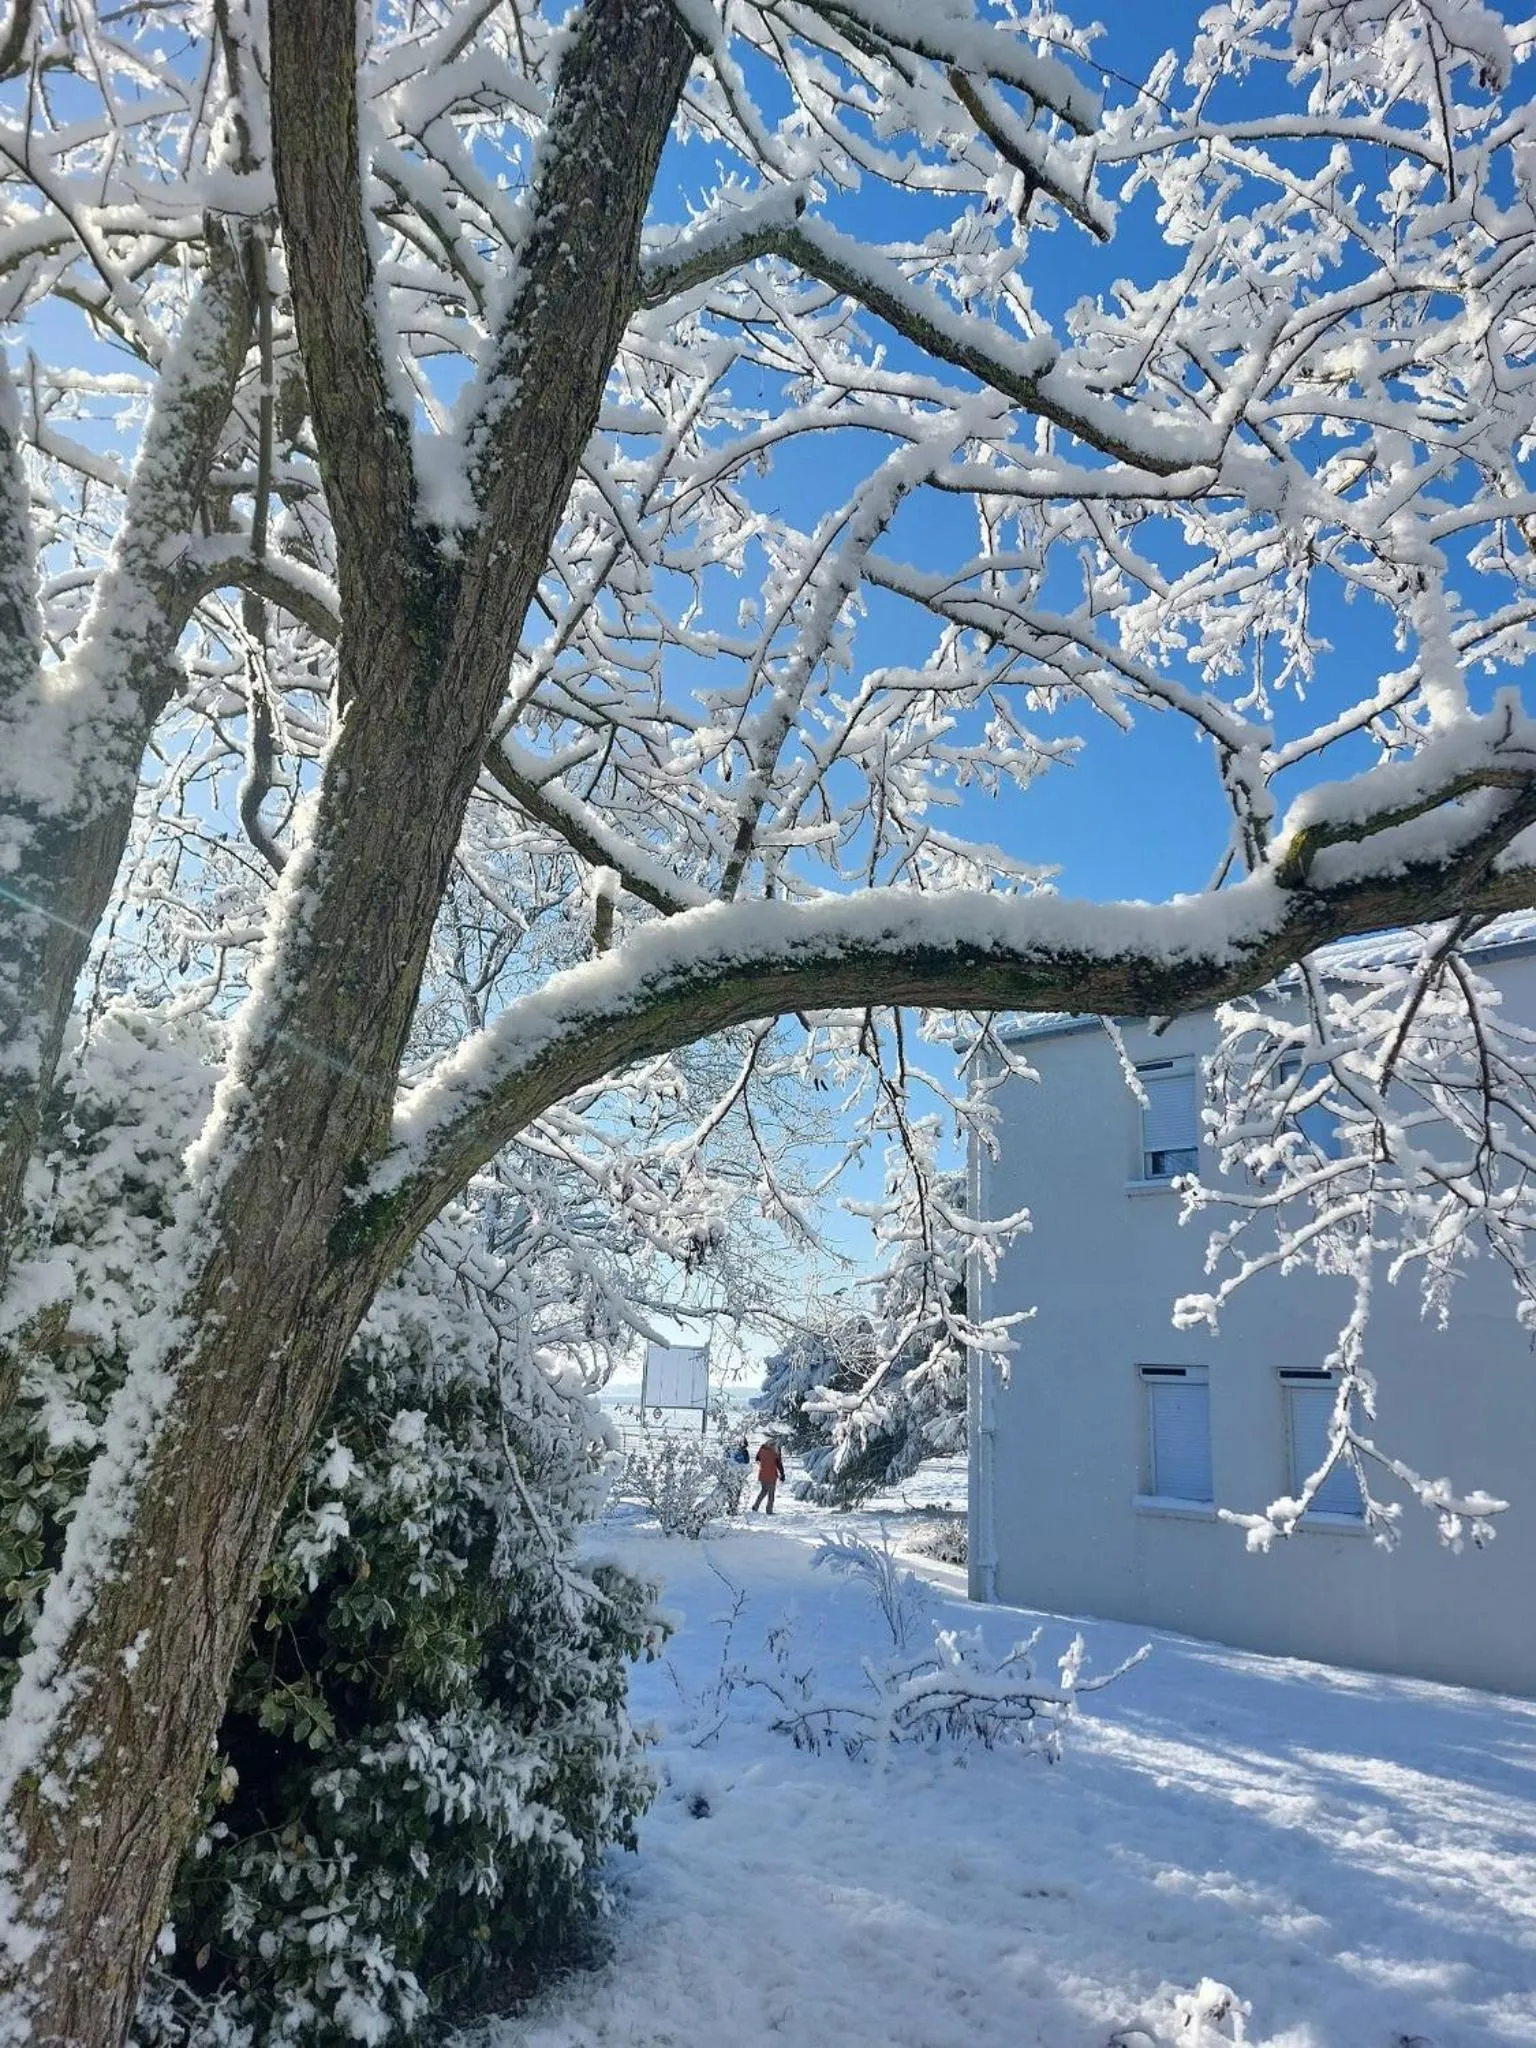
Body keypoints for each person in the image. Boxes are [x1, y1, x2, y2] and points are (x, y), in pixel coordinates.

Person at [751, 1439, 786, 1514]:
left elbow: (757, 1458)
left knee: (763, 1491)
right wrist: (782, 1474)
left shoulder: (762, 1449)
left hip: (762, 1474)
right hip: (771, 1475)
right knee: (771, 1494)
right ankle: (769, 1510)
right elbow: (779, 1464)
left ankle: (755, 1506)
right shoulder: (775, 1452)